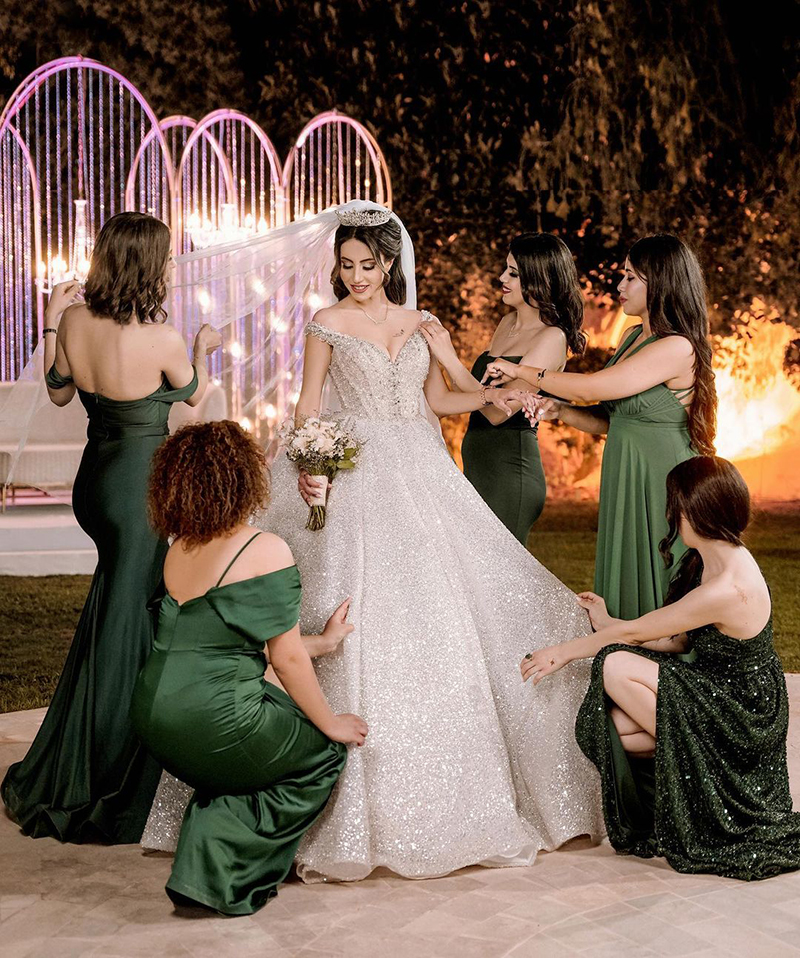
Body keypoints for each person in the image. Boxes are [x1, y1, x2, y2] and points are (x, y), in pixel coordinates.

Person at [144, 200, 604, 881]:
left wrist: (463, 370)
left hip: (422, 467)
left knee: (450, 601)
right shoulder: (327, 322)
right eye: (347, 264)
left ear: (391, 263)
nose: (356, 276)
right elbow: (309, 402)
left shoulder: (421, 322)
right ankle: (341, 797)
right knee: (357, 599)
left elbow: (442, 402)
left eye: (368, 264)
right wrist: (310, 465)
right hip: (354, 467)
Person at [1, 212, 221, 844]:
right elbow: (191, 399)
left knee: (116, 615)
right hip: (138, 492)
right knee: (129, 626)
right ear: (148, 266)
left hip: (94, 486)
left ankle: (87, 745)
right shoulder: (162, 338)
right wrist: (203, 350)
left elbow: (58, 392)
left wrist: (50, 317)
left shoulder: (74, 321)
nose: (173, 267)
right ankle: (108, 770)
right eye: (167, 258)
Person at [521, 456, 800, 880]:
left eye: (676, 506)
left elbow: (637, 636)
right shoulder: (712, 558)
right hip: (719, 691)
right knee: (611, 729)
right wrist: (609, 623)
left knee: (615, 665)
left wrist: (562, 652)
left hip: (744, 712)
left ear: (695, 512)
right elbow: (678, 639)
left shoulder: (728, 586)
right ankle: (701, 760)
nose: (671, 515)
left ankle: (710, 761)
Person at [131, 421, 365, 915]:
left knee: (235, 764)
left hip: (154, 718)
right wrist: (331, 724)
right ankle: (222, 876)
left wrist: (324, 641)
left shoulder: (179, 547)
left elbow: (221, 640)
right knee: (320, 756)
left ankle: (200, 865)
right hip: (214, 719)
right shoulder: (263, 548)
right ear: (241, 479)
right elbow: (285, 658)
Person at [487, 234, 717, 618]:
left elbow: (593, 387)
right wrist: (561, 411)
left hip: (663, 480)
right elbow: (612, 418)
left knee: (662, 577)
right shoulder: (632, 337)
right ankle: (623, 645)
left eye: (631, 278)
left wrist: (522, 371)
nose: (620, 285)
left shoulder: (677, 346)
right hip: (625, 473)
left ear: (661, 283)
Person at [419, 233, 586, 544]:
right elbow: (470, 394)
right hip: (478, 466)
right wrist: (430, 355)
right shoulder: (507, 322)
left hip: (510, 473)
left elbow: (498, 412)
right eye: (505, 269)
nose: (502, 278)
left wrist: (449, 357)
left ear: (539, 280)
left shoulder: (552, 337)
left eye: (514, 273)